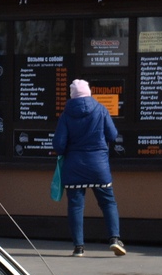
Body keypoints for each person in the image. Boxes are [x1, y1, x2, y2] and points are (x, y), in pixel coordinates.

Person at [53, 79, 126, 257]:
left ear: (72, 95)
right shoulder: (101, 109)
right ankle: (114, 239)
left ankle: (79, 247)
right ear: (89, 92)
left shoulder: (66, 114)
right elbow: (113, 134)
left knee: (76, 206)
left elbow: (59, 144)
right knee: (108, 202)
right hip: (98, 165)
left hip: (74, 166)